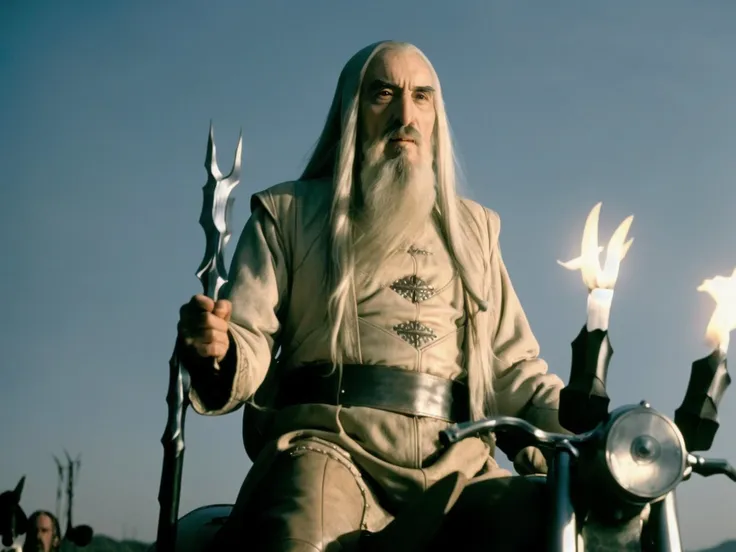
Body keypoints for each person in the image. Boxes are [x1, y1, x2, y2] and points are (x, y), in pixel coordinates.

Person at [177, 40, 567, 551]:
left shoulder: (476, 232)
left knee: (555, 527)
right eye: (384, 93)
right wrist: (221, 350)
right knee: (302, 536)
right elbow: (248, 335)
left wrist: (599, 435)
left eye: (422, 97)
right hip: (331, 449)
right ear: (351, 112)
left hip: (459, 467)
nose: (406, 113)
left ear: (436, 117)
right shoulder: (288, 214)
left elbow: (515, 371)